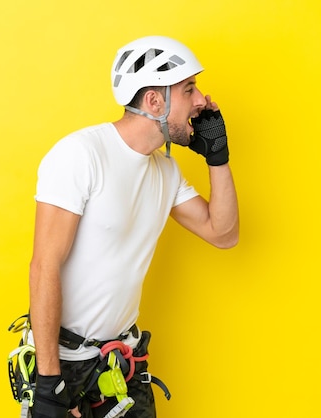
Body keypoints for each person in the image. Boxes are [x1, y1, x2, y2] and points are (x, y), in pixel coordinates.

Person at [28, 35, 239, 418]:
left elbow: (223, 234)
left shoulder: (165, 170)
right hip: (62, 363)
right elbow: (45, 265)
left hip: (123, 362)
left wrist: (218, 157)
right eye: (189, 89)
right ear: (154, 101)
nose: (201, 101)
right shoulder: (81, 154)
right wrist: (48, 383)